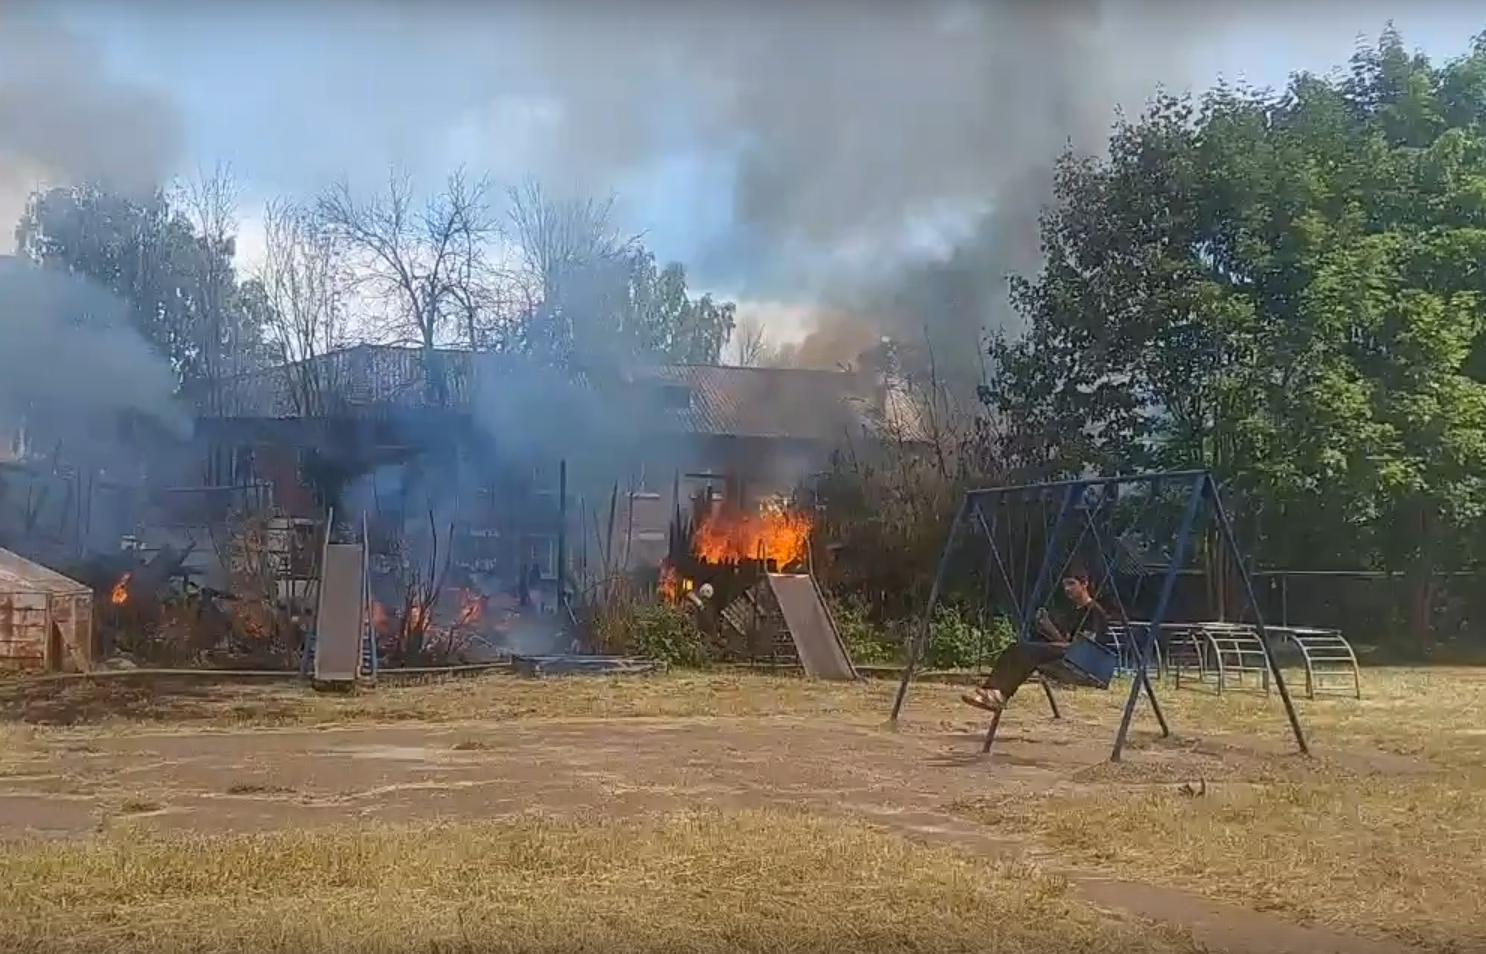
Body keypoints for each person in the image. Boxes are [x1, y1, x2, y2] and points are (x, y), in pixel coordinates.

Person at [962, 568, 1115, 712]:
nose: (1067, 589)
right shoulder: (1074, 612)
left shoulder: (1094, 611)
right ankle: (993, 692)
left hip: (1091, 664)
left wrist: (1049, 643)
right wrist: (1049, 629)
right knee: (1015, 649)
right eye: (1065, 585)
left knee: (1025, 651)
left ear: (1084, 584)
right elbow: (1067, 642)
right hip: (1073, 656)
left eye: (1071, 584)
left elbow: (1083, 648)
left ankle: (999, 694)